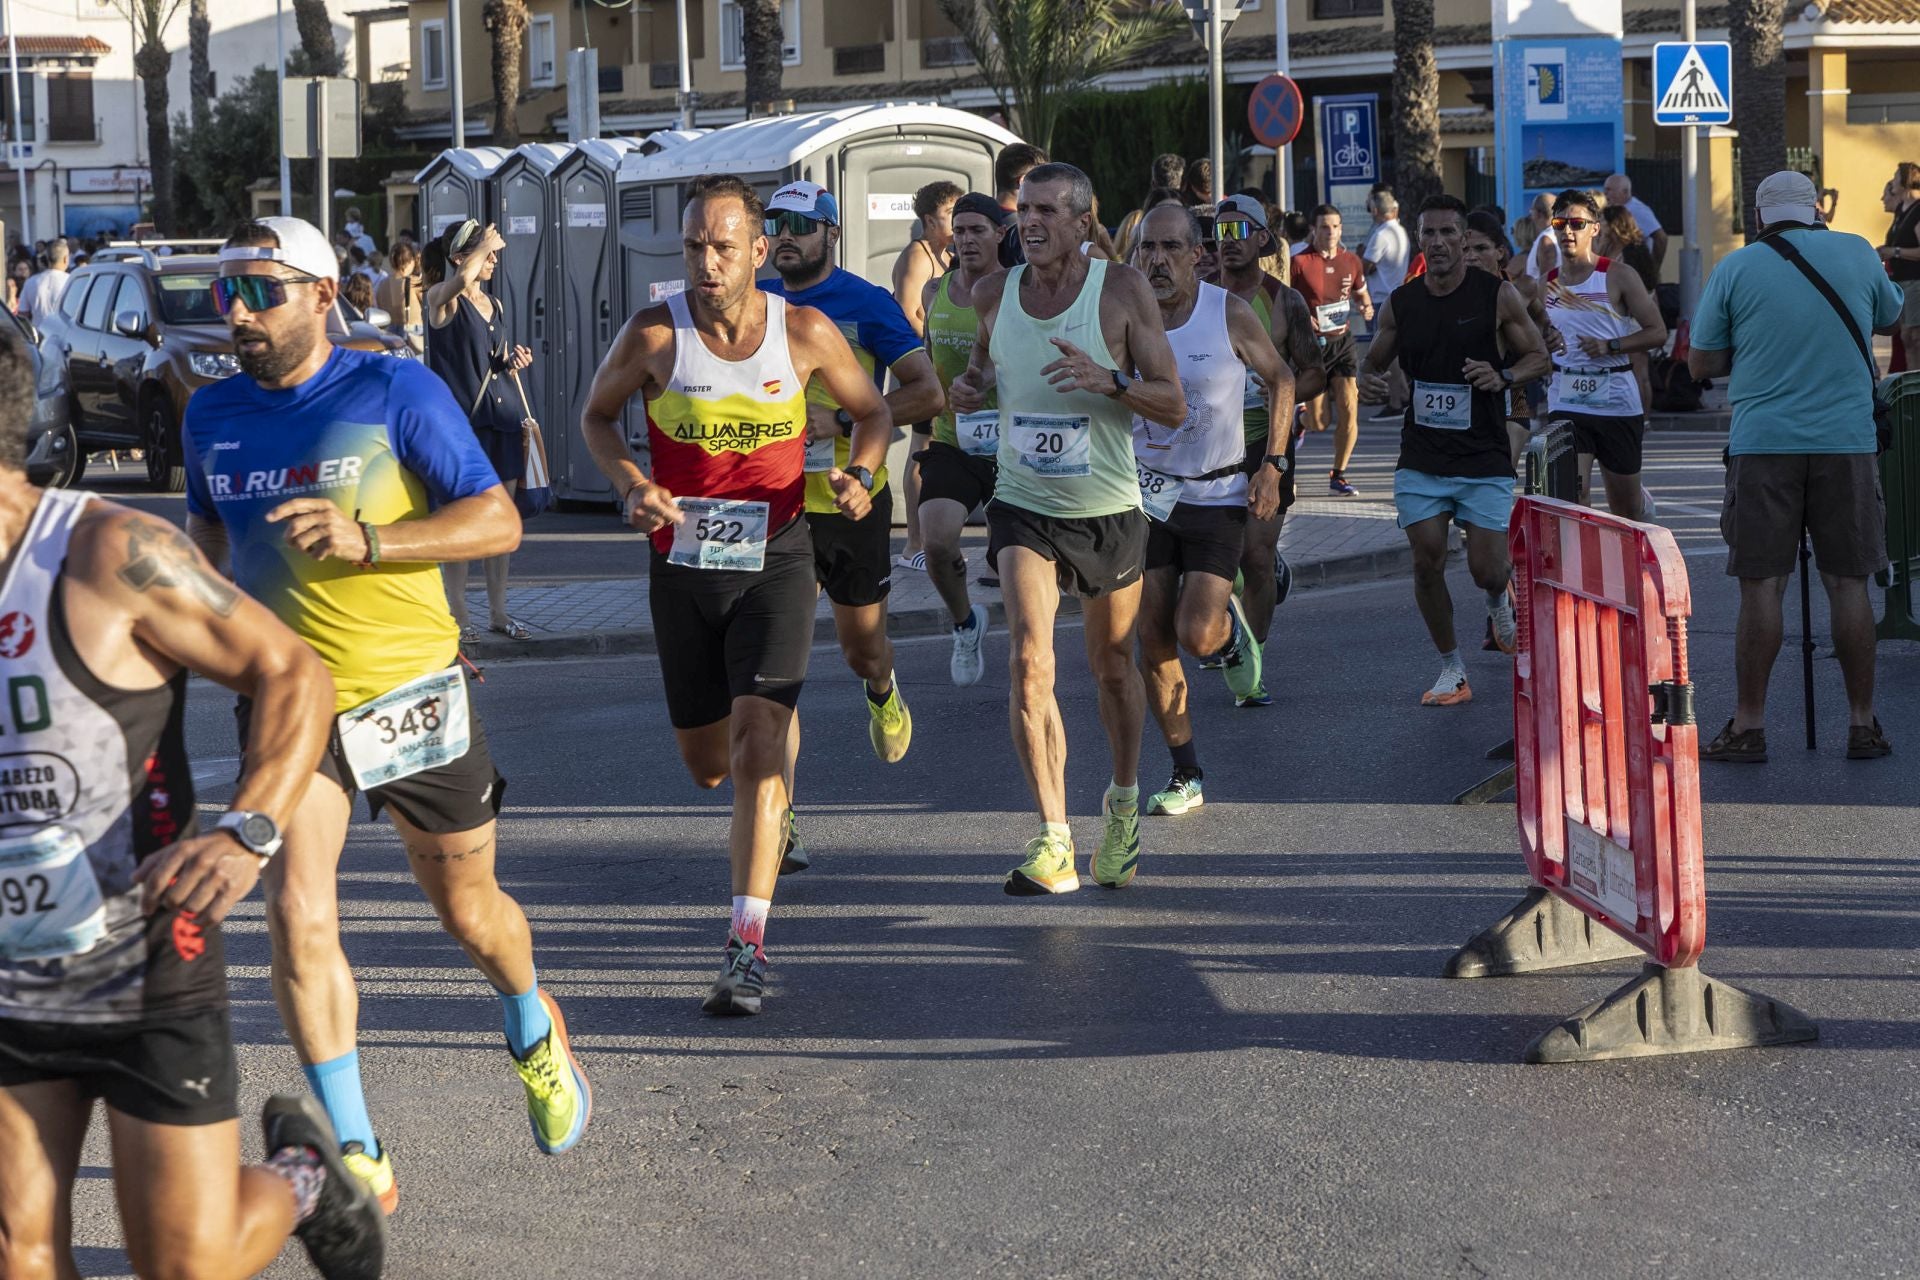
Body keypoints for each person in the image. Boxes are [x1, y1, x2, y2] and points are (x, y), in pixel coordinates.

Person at [184, 217, 590, 1213]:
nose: (237, 311)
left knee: (470, 913)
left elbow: (494, 517)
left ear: (324, 294)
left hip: (411, 690)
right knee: (294, 910)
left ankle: (533, 1024)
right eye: (224, 291)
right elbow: (203, 540)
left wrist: (368, 539)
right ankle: (357, 1147)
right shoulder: (209, 414)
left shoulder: (390, 388)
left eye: (260, 289)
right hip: (289, 704)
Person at [0, 328, 389, 1280]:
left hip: (146, 960)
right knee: (22, 1254)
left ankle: (304, 1174)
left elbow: (290, 669)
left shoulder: (106, 550)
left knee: (186, 1264)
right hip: (10, 975)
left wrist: (250, 828)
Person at [578, 174, 892, 1012]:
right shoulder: (652, 335)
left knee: (759, 743)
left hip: (780, 556)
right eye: (692, 247)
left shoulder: (806, 332)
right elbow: (597, 416)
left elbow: (874, 413)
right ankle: (765, 799)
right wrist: (629, 480)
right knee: (710, 767)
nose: (705, 262)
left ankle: (745, 947)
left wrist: (862, 472)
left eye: (722, 246)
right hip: (682, 563)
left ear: (758, 251)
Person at [949, 162, 1186, 893]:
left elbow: (1173, 403)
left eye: (1050, 210)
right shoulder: (992, 293)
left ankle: (1119, 802)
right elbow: (981, 367)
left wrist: (1111, 382)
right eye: (1027, 209)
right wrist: (969, 385)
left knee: (1113, 669)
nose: (1032, 222)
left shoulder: (1121, 290)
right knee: (1029, 662)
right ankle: (1053, 835)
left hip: (1108, 510)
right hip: (1023, 505)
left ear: (1086, 223)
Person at [1688, 169, 1902, 763]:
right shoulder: (1857, 251)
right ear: (1816, 211)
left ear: (1759, 218)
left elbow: (1701, 364)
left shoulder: (1735, 267)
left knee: (1763, 585)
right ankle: (1863, 724)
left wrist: (1756, 342)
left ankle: (1749, 725)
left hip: (1764, 445)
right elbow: (1888, 315)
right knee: (1848, 583)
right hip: (1847, 442)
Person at [758, 180, 943, 779]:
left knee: (861, 652)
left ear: (830, 233)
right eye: (776, 224)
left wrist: (839, 418)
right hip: (771, 510)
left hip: (849, 502)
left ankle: (883, 688)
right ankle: (778, 817)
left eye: (800, 225)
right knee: (772, 669)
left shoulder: (865, 303)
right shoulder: (752, 298)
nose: (785, 236)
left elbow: (927, 391)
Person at [1129, 203, 1294, 813]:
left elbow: (1282, 380)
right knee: (1152, 637)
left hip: (1218, 493)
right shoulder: (1123, 314)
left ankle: (1228, 637)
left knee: (1195, 635)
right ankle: (1186, 773)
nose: (1157, 260)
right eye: (1148, 247)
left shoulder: (1227, 312)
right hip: (1145, 497)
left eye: (1171, 248)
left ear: (1197, 254)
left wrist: (1272, 465)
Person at [1358, 194, 1552, 706]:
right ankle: (1452, 670)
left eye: (1449, 234)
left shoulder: (1497, 296)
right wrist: (1367, 382)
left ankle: (1497, 598)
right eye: (1429, 234)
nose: (1438, 243)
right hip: (1422, 455)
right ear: (1419, 240)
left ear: (1465, 242)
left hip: (1483, 453)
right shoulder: (1402, 303)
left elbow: (1539, 356)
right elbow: (1372, 363)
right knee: (1426, 559)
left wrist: (1503, 374)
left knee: (1487, 567)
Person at [1208, 193, 1325, 705]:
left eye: (1239, 232)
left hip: (1266, 442)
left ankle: (1252, 660)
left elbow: (1316, 371)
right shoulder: (1197, 296)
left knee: (1254, 556)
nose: (1227, 243)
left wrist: (1280, 390)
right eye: (1220, 232)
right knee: (1217, 557)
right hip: (1209, 445)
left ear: (1261, 238)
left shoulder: (1284, 301)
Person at [423, 219, 535, 640]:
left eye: (493, 253)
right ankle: (459, 617)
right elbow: (459, 283)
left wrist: (514, 361)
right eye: (486, 253)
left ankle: (499, 613)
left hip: (501, 424)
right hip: (461, 430)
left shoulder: (496, 304)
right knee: (461, 525)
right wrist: (478, 247)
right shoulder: (440, 299)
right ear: (458, 258)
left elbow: (494, 360)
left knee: (499, 524)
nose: (494, 260)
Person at [918, 192, 1010, 686]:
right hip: (955, 439)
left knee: (1018, 564)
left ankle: (1034, 657)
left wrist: (989, 381)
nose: (968, 239)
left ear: (1000, 234)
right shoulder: (936, 292)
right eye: (960, 230)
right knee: (935, 541)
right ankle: (965, 622)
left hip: (1015, 444)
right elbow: (929, 362)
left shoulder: (1019, 288)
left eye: (978, 230)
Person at [1539, 188, 1667, 520]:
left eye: (1577, 223)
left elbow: (1657, 332)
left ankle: (1639, 518)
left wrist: (1610, 346)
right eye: (1560, 222)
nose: (1568, 230)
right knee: (1573, 495)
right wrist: (1546, 340)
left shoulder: (1618, 276)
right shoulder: (1546, 283)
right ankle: (1585, 570)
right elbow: (1537, 336)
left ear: (1595, 228)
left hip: (1615, 398)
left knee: (1624, 508)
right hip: (1566, 398)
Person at [891, 179, 963, 572]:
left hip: (941, 367)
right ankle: (912, 545)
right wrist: (937, 352)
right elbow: (907, 313)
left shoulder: (944, 255)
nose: (956, 222)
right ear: (928, 219)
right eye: (950, 214)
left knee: (937, 448)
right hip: (925, 366)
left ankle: (929, 540)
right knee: (922, 449)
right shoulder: (919, 257)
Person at [1290, 205, 1373, 496]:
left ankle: (1339, 473)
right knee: (1319, 421)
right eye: (1325, 227)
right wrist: (1303, 318)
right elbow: (1283, 302)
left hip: (1342, 342)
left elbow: (1361, 293)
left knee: (1350, 409)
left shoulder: (1351, 261)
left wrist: (1366, 307)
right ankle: (1301, 420)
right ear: (1314, 229)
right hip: (1311, 347)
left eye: (1336, 226)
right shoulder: (1299, 262)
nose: (1331, 233)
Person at [1463, 211, 1553, 468]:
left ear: (1500, 251)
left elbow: (1542, 317)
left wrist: (1550, 333)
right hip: (1466, 404)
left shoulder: (1519, 288)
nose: (1471, 256)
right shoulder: (1451, 294)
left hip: (1513, 400)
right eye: (1465, 249)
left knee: (1500, 475)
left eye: (1481, 248)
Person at [1879, 161, 1920, 370]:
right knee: (1907, 338)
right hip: (1902, 281)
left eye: (1896, 177)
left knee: (1914, 337)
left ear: (1905, 180)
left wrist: (1894, 252)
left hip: (1915, 281)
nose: (1892, 181)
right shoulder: (1902, 212)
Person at [1602, 174, 1669, 271]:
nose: (1605, 193)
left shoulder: (1638, 210)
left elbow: (1661, 238)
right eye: (1605, 190)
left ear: (1625, 192)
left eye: (1609, 190)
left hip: (1635, 270)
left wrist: (1654, 268)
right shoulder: (1612, 210)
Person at [1361, 190, 1411, 317]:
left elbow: (1364, 268)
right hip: (1398, 296)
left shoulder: (1380, 235)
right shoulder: (1401, 230)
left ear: (1375, 210)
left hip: (1382, 300)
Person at [374, 240, 423, 348]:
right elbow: (427, 304)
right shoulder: (414, 282)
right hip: (413, 333)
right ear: (410, 261)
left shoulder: (382, 284)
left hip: (390, 332)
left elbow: (380, 306)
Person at [14, 239, 69, 325]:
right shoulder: (72, 281)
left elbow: (22, 314)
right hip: (67, 335)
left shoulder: (31, 282)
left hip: (39, 333)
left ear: (47, 258)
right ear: (65, 259)